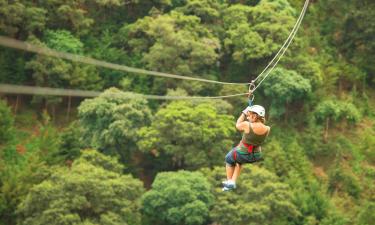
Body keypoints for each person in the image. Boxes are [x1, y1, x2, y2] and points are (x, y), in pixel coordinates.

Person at [222, 105, 270, 191]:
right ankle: (233, 181)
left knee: (228, 159)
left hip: (243, 153)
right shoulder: (267, 129)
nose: (247, 118)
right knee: (239, 161)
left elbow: (237, 125)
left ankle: (230, 181)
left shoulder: (247, 125)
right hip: (256, 156)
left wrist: (244, 112)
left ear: (255, 116)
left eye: (249, 115)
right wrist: (249, 112)